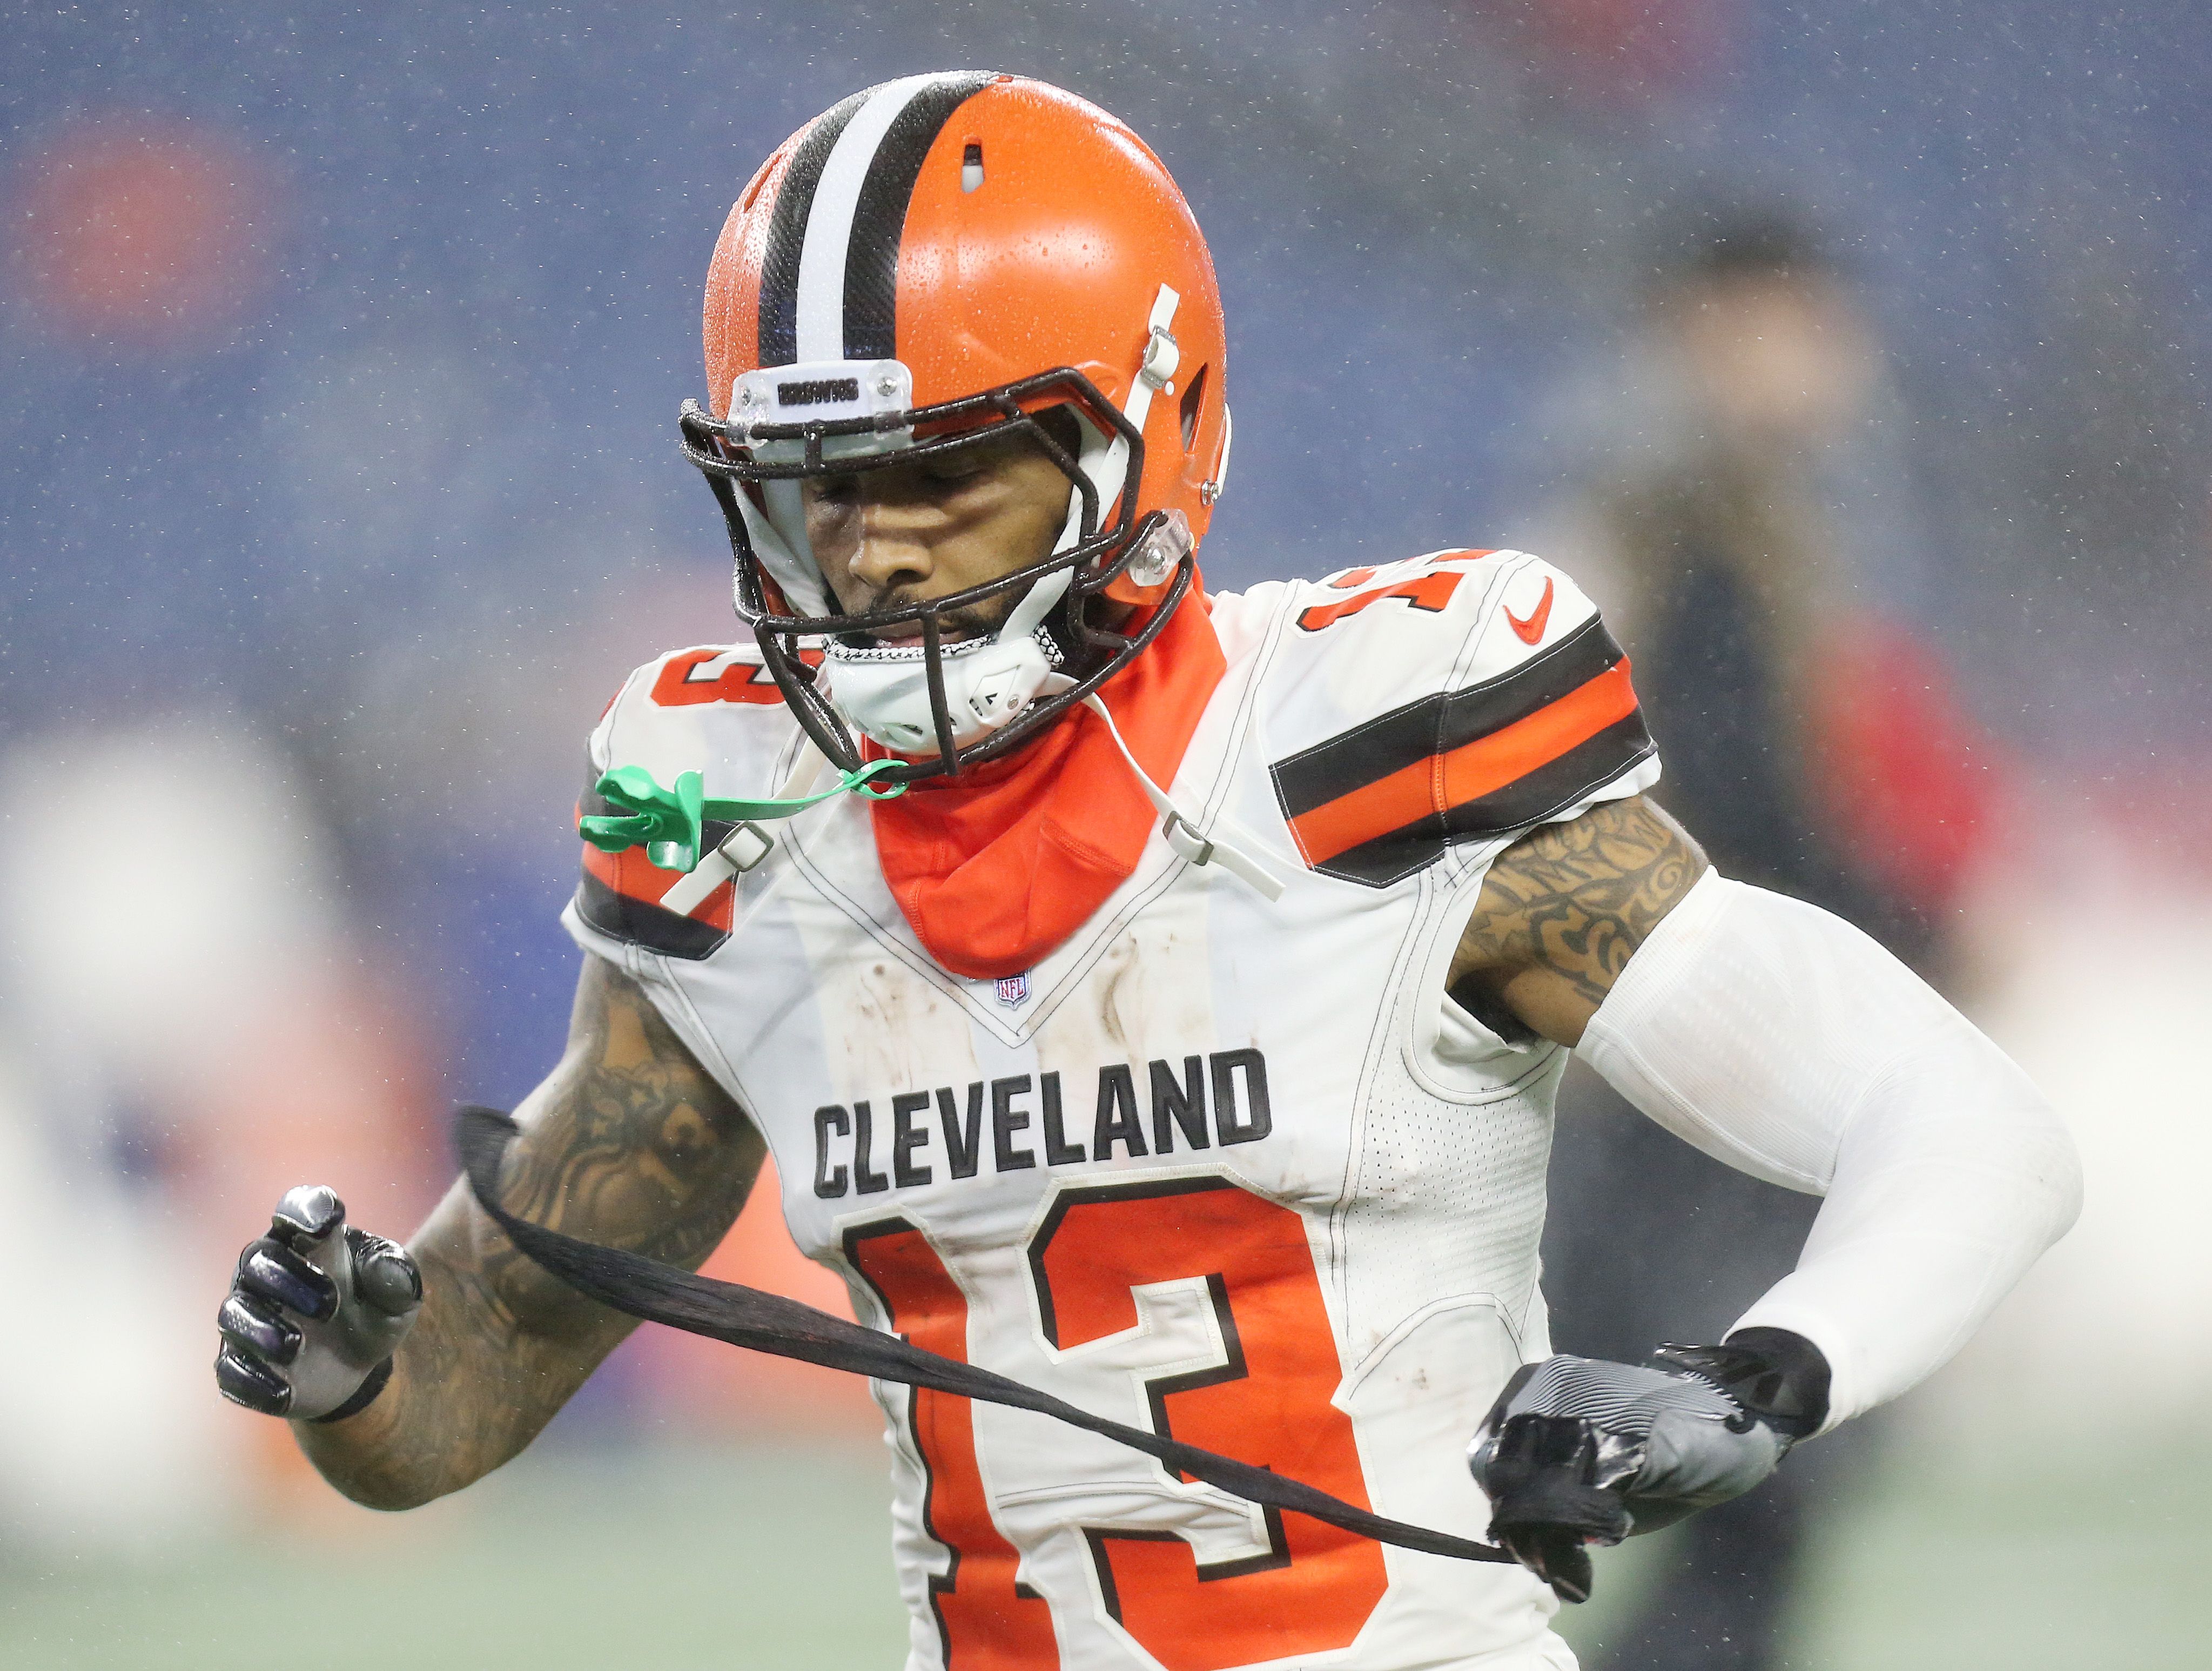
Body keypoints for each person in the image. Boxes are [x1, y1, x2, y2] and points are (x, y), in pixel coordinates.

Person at [214, 74, 2079, 1671]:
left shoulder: (1375, 750)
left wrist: (1760, 1373)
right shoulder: (744, 822)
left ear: (1146, 434)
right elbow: (460, 1384)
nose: (865, 558)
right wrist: (354, 1375)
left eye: (948, 475)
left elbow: (1972, 1126)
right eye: (816, 487)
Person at [1531, 208, 2007, 1670]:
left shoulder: (1700, 506)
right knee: (1753, 1490)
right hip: (1708, 1085)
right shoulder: (1686, 524)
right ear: (1715, 327)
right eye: (1801, 316)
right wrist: (1911, 934)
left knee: (1696, 1505)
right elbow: (1732, 811)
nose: (1837, 355)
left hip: (1677, 1079)